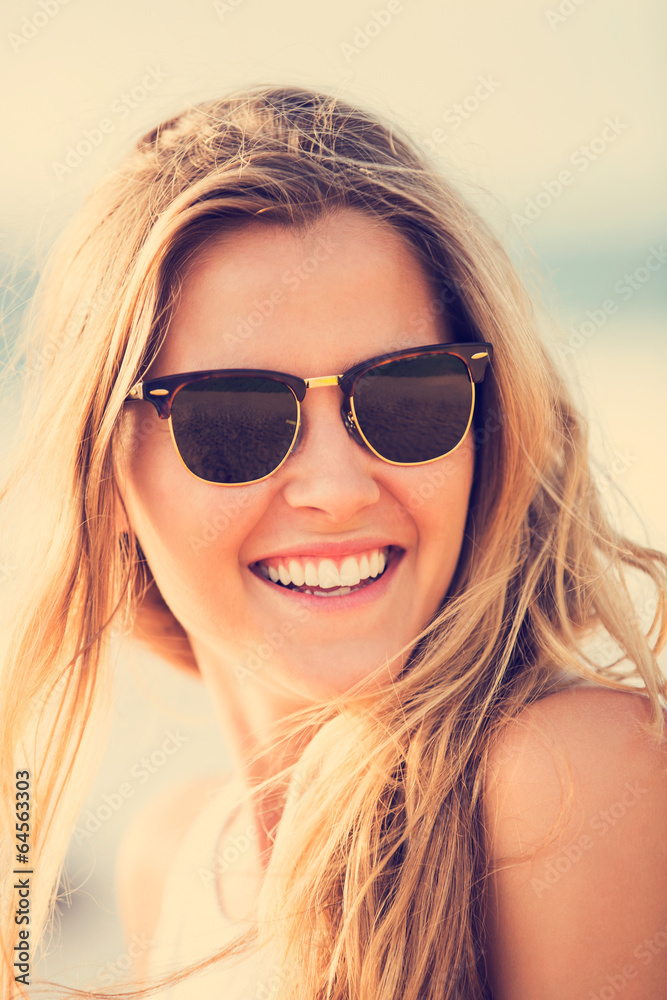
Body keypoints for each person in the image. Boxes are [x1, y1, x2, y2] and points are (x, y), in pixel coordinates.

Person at [1, 84, 666, 1000]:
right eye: (234, 417)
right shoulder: (170, 860)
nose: (337, 489)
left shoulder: (572, 776)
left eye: (408, 396)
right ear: (105, 468)